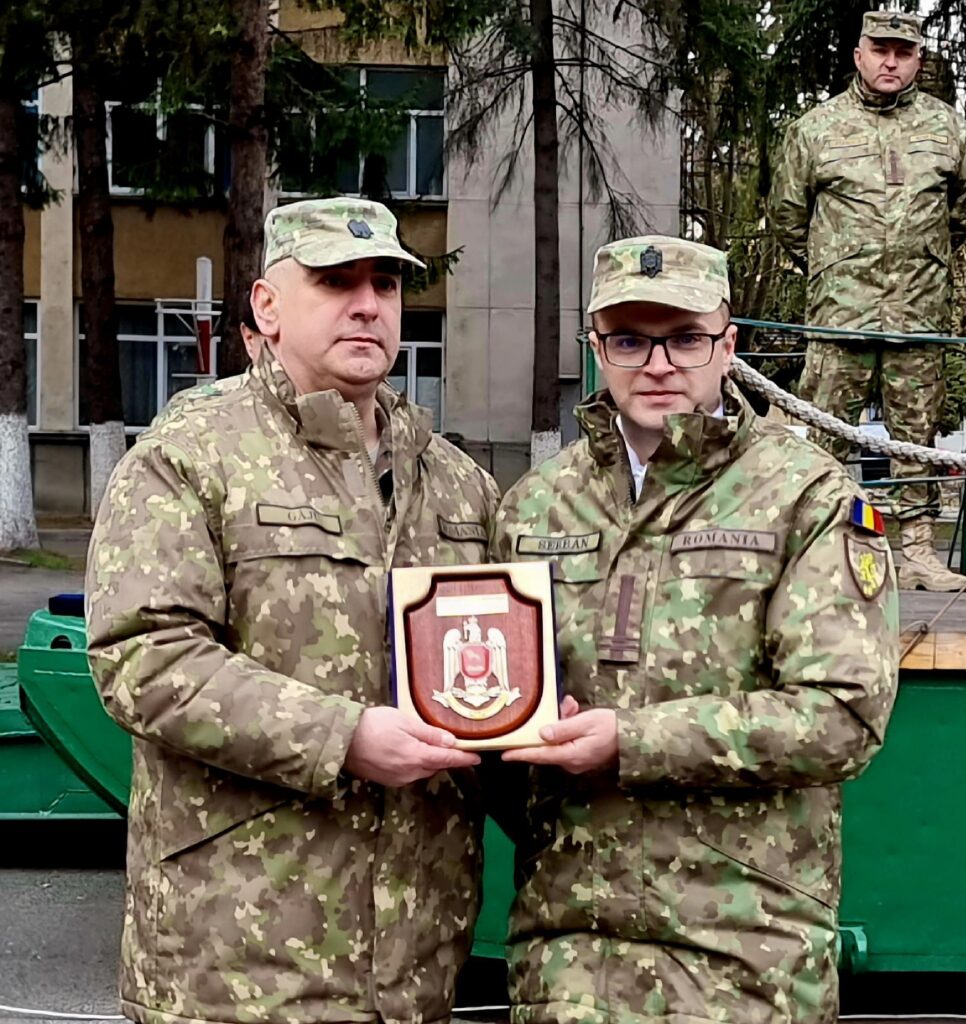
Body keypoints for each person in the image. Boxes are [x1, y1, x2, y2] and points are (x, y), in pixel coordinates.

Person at [86, 197, 499, 1024]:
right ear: (267, 307)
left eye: (385, 284)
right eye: (335, 281)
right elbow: (143, 656)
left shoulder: (456, 483)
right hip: (238, 960)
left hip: (415, 965)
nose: (367, 305)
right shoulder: (190, 456)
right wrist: (342, 736)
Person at [492, 236, 900, 1024]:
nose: (658, 365)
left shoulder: (807, 497)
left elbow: (843, 716)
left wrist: (631, 742)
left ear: (728, 344)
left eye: (685, 338)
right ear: (597, 348)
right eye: (629, 340)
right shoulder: (534, 506)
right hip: (570, 956)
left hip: (745, 955)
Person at [769, 10, 966, 591]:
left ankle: (917, 553)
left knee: (917, 436)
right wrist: (835, 267)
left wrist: (920, 266)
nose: (891, 62)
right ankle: (816, 546)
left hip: (918, 312)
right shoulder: (816, 129)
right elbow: (787, 215)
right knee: (824, 431)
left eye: (903, 52)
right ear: (859, 54)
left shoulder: (947, 129)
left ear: (918, 60)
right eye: (880, 50)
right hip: (841, 313)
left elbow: (962, 212)